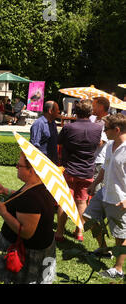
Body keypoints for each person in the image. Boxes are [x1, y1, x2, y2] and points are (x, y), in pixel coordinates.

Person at [0, 151, 56, 284]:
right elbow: (22, 196)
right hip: (42, 247)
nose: (16, 167)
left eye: (20, 165)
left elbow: (26, 232)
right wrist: (6, 191)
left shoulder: (32, 199)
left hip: (26, 254)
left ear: (32, 170)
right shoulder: (37, 184)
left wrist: (3, 212)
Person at [84, 113, 126, 279]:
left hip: (119, 198)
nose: (103, 132)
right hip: (104, 192)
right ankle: (104, 249)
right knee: (88, 216)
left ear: (117, 130)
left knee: (120, 235)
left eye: (106, 129)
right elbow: (105, 168)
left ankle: (118, 269)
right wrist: (95, 183)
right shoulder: (110, 145)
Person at [55, 100, 102, 242]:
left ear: (76, 111)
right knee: (82, 202)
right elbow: (98, 144)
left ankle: (59, 232)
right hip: (87, 171)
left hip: (69, 170)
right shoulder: (97, 128)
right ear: (91, 112)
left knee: (65, 201)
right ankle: (79, 231)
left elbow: (59, 145)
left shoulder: (69, 127)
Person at [89, 96, 111, 193]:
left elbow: (100, 143)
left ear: (101, 107)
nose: (92, 108)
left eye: (94, 106)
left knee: (96, 191)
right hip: (92, 159)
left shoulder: (107, 122)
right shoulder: (94, 119)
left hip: (99, 160)